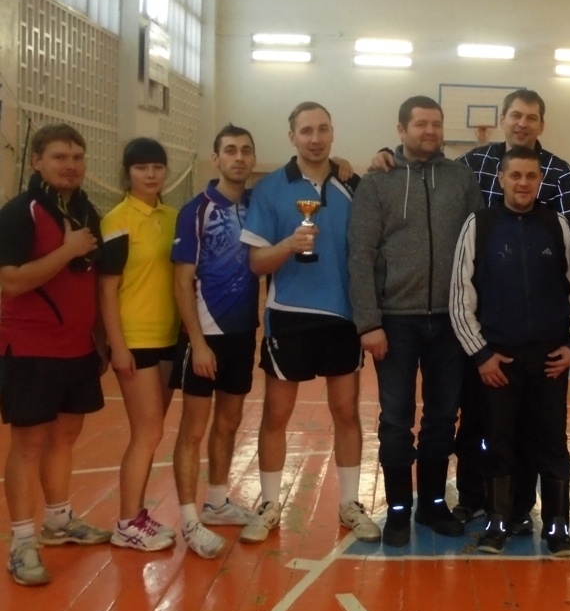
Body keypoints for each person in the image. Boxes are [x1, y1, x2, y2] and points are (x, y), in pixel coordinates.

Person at [371, 89, 570, 527]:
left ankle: (519, 508)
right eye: (516, 115)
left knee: (529, 430)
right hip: (482, 325)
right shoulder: (472, 165)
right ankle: (470, 498)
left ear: (541, 124)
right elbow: (433, 177)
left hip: (539, 330)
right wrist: (388, 155)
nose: (523, 123)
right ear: (503, 119)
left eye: (531, 117)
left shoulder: (560, 174)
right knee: (473, 420)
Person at [238, 102, 380, 544]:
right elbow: (256, 263)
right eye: (306, 131)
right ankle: (268, 503)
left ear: (332, 132)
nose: (315, 138)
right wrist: (288, 244)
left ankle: (350, 502)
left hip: (343, 316)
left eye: (322, 129)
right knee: (276, 414)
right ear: (292, 137)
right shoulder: (269, 189)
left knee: (346, 412)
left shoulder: (352, 185)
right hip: (289, 315)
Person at [349, 95, 484, 547]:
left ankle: (432, 505)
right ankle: (398, 511)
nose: (430, 131)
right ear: (402, 129)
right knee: (396, 420)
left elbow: (477, 244)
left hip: (451, 322)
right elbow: (361, 254)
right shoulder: (377, 182)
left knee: (443, 418)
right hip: (395, 323)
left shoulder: (461, 179)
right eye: (421, 124)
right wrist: (369, 322)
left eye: (436, 124)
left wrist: (474, 315)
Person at [449, 146, 570, 557]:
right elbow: (460, 296)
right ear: (501, 179)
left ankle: (558, 527)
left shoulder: (556, 224)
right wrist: (481, 354)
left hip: (550, 360)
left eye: (531, 176)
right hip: (499, 360)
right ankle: (497, 523)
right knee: (498, 442)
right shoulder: (479, 224)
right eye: (515, 176)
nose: (523, 183)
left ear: (540, 181)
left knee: (551, 444)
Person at [0, 124, 111, 586]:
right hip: (30, 346)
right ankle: (22, 541)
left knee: (65, 437)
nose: (70, 165)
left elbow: (93, 280)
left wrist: (100, 338)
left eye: (77, 157)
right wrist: (67, 250)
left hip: (77, 347)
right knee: (29, 444)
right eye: (60, 157)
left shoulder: (86, 211)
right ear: (36, 161)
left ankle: (59, 520)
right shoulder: (18, 212)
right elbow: (10, 282)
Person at [169, 125, 260, 559]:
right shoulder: (196, 210)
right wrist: (198, 341)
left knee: (229, 422)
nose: (239, 157)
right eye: (230, 150)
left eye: (246, 150)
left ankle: (218, 502)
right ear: (216, 158)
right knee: (193, 429)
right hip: (205, 335)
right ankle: (189, 520)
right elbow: (182, 280)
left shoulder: (258, 206)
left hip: (243, 334)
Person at [99, 138, 180, 551]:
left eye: (157, 167)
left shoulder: (173, 217)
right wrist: (117, 346)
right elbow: (106, 289)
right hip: (135, 339)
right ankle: (127, 522)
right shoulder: (117, 220)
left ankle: (138, 515)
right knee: (146, 433)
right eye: (141, 167)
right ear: (127, 173)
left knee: (152, 431)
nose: (150, 174)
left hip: (169, 337)